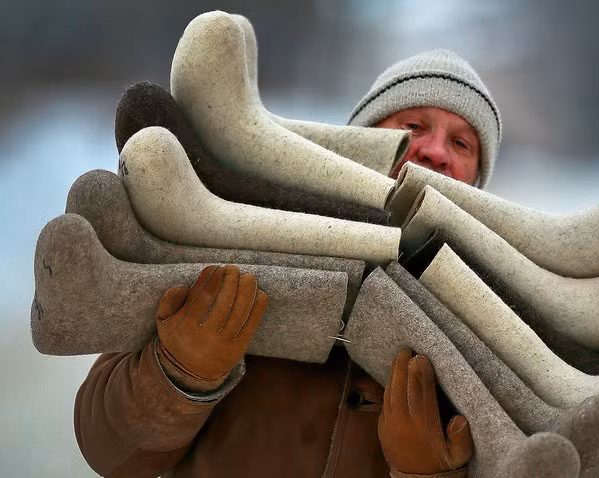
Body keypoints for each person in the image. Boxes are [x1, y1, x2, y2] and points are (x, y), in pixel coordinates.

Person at [74, 48, 501, 478]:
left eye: (461, 143)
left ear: (478, 182)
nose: (435, 152)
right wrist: (177, 375)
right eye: (414, 126)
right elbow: (110, 454)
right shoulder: (231, 236)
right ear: (359, 144)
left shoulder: (495, 326)